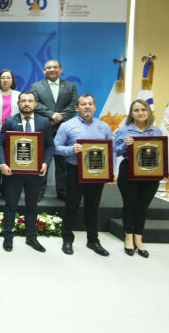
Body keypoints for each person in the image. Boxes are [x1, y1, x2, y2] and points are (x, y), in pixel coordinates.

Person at [54, 94, 113, 256]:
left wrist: (112, 170)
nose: (87, 106)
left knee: (93, 208)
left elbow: (111, 150)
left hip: (97, 173)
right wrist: (71, 149)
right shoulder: (67, 126)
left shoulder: (104, 127)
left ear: (94, 107)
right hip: (74, 171)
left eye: (90, 104)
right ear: (76, 107)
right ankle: (67, 239)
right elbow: (56, 147)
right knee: (71, 206)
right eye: (83, 104)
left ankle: (93, 241)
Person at [0, 92, 55, 253]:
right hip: (13, 172)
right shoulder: (10, 121)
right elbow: (0, 144)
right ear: (18, 103)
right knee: (10, 205)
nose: (27, 104)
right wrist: (2, 163)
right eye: (23, 101)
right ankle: (8, 236)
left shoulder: (44, 122)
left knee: (32, 205)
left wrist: (46, 162)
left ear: (35, 104)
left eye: (30, 101)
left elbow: (50, 145)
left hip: (35, 173)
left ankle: (31, 237)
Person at [114, 99, 164, 258]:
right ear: (131, 114)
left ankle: (139, 239)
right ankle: (128, 237)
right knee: (129, 205)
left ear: (148, 112)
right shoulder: (124, 131)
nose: (140, 113)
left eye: (143, 109)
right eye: (136, 110)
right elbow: (114, 151)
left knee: (142, 207)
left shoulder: (156, 131)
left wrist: (164, 170)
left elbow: (161, 153)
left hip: (150, 173)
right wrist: (125, 145)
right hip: (129, 171)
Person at [30, 59, 78, 201]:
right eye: (48, 68)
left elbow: (74, 104)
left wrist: (60, 118)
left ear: (60, 70)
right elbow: (35, 104)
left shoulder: (70, 86)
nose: (52, 69)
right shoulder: (36, 86)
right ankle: (38, 192)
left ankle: (62, 192)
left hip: (64, 129)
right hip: (44, 128)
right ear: (44, 70)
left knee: (62, 163)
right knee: (41, 160)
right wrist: (52, 115)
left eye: (55, 67)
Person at [0, 69, 21, 199]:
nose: (5, 80)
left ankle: (7, 190)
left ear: (12, 80)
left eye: (8, 77)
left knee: (11, 161)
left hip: (13, 133)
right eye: (3, 78)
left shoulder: (19, 95)